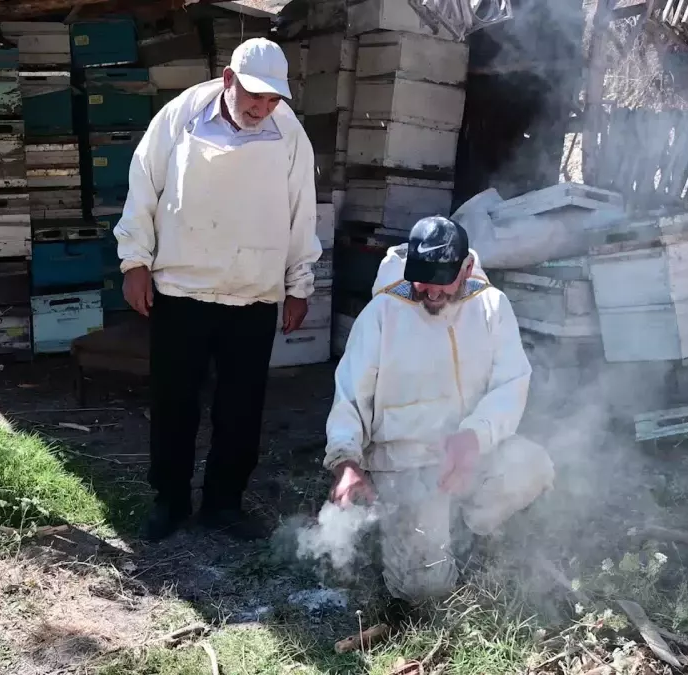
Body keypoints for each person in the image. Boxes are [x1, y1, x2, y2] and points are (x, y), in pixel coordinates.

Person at [114, 38, 322, 542]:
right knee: (174, 403)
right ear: (229, 80)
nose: (262, 107)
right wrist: (134, 261)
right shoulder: (179, 116)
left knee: (242, 408)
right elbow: (143, 186)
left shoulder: (289, 134)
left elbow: (302, 212)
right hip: (182, 287)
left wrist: (299, 284)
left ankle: (224, 503)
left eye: (273, 100)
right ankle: (170, 500)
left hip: (253, 292)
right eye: (255, 95)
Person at [323, 216, 555, 604]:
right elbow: (349, 394)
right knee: (422, 592)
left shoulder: (492, 307)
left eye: (441, 279)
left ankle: (469, 525)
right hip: (406, 468)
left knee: (532, 466)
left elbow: (511, 383)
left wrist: (473, 436)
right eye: (421, 278)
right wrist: (346, 461)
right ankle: (424, 533)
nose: (429, 291)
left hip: (472, 455)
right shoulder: (383, 312)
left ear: (466, 267)